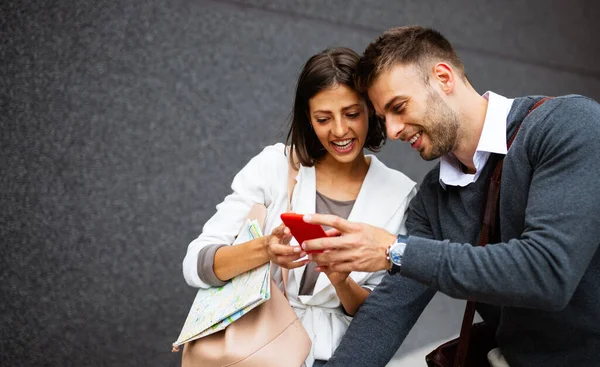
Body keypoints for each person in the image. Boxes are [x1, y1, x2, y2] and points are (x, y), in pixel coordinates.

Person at [301, 26, 600, 367]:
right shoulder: (433, 198)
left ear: (443, 77)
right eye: (384, 118)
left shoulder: (567, 126)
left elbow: (548, 273)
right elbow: (387, 312)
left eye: (399, 107)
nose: (394, 130)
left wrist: (393, 250)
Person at [182, 47, 417, 367]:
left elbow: (383, 315)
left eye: (352, 113)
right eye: (323, 118)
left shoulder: (400, 194)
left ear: (371, 110)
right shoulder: (275, 167)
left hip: (337, 357)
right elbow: (196, 265)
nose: (339, 130)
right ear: (308, 119)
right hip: (256, 351)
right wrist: (265, 250)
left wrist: (341, 280)